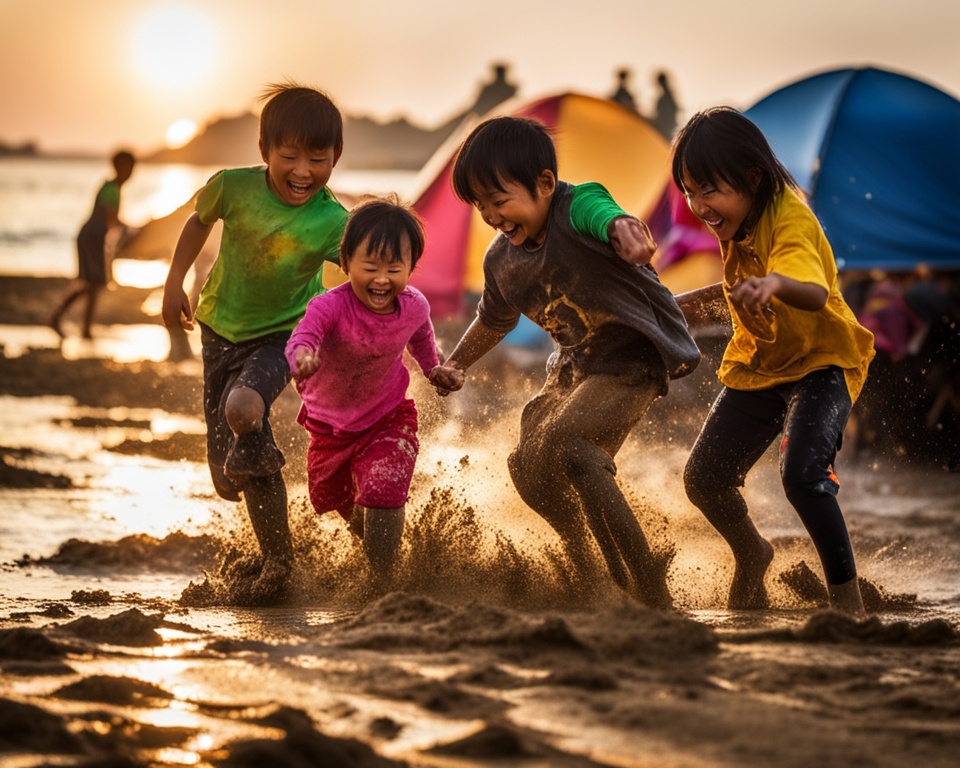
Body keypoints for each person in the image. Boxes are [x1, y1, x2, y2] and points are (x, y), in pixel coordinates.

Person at [429, 116, 701, 608]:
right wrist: (457, 363)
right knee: (527, 466)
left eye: (500, 199)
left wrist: (628, 231)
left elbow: (610, 215)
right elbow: (494, 320)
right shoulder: (500, 260)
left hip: (633, 359)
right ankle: (590, 569)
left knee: (568, 442)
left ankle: (650, 586)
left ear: (545, 184)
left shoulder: (575, 206)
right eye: (481, 205)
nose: (492, 214)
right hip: (575, 369)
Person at [671, 107, 875, 616]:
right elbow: (730, 290)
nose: (699, 206)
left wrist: (775, 283)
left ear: (752, 178)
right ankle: (752, 552)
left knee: (803, 476)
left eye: (709, 190)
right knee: (704, 479)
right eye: (690, 192)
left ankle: (848, 607)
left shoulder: (791, 218)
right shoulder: (738, 219)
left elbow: (810, 290)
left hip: (823, 364)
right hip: (763, 363)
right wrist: (675, 307)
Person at [162, 82, 349, 605]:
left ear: (337, 156)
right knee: (227, 478)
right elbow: (197, 223)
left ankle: (281, 563)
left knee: (245, 409)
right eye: (289, 156)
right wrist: (174, 281)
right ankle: (279, 550)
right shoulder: (232, 187)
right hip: (219, 331)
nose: (303, 171)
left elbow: (366, 270)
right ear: (264, 150)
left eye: (319, 158)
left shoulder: (333, 220)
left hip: (283, 337)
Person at [286, 197, 439, 584]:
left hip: (387, 416)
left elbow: (420, 339)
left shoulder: (415, 306)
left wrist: (435, 369)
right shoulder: (329, 307)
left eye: (394, 268)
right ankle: (381, 561)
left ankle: (384, 587)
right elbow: (303, 336)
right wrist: (302, 356)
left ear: (411, 267)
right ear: (346, 261)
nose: (382, 279)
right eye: (370, 267)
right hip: (329, 429)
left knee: (384, 489)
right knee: (343, 503)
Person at [50, 150, 136, 339]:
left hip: (95, 238)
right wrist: (132, 230)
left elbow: (111, 222)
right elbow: (110, 217)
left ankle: (83, 328)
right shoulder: (111, 189)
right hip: (91, 238)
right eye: (129, 168)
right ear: (119, 167)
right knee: (90, 283)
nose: (131, 173)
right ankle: (60, 319)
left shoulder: (113, 188)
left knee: (93, 284)